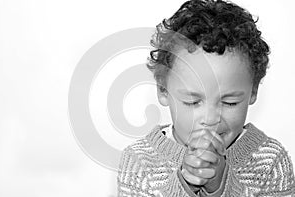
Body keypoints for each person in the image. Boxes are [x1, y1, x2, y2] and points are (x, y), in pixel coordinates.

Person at [117, 0, 295, 196]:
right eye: (193, 102)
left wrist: (221, 186)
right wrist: (185, 185)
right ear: (163, 90)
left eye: (230, 103)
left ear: (253, 91)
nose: (211, 119)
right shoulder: (139, 161)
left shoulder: (270, 162)